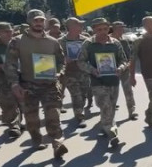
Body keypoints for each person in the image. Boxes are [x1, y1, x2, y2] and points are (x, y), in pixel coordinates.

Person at [5, 9, 68, 158]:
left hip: (50, 84)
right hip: (28, 85)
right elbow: (10, 64)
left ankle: (57, 142)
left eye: (41, 20)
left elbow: (61, 61)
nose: (39, 23)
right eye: (35, 20)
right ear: (29, 22)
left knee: (53, 116)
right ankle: (36, 138)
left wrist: (59, 72)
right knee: (32, 118)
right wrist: (14, 84)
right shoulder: (18, 41)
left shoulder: (53, 42)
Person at [78, 18, 129, 149]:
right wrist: (92, 70)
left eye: (105, 29)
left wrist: (120, 68)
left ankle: (106, 127)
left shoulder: (115, 43)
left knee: (111, 107)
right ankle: (113, 134)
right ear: (94, 30)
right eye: (99, 29)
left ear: (109, 29)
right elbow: (80, 62)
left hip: (113, 80)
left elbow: (124, 60)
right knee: (105, 106)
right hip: (98, 81)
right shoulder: (88, 44)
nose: (102, 32)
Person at [0, 22, 22, 138]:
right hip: (2, 78)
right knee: (9, 102)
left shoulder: (18, 42)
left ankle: (17, 122)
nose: (9, 33)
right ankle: (14, 126)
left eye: (10, 31)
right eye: (5, 31)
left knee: (22, 101)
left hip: (21, 75)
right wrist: (0, 66)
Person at [58, 17, 89, 127]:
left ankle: (79, 110)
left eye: (81, 25)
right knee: (76, 95)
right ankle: (79, 116)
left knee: (84, 94)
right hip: (70, 73)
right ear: (70, 27)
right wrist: (64, 59)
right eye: (78, 25)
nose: (81, 27)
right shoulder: (61, 42)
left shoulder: (85, 40)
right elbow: (55, 58)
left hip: (84, 72)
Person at [110, 21, 137, 120]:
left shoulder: (124, 41)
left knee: (128, 91)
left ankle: (132, 111)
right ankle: (109, 114)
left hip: (124, 69)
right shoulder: (108, 40)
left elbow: (129, 56)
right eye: (119, 28)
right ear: (113, 28)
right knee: (112, 93)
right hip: (111, 71)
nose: (121, 30)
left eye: (122, 28)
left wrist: (129, 65)